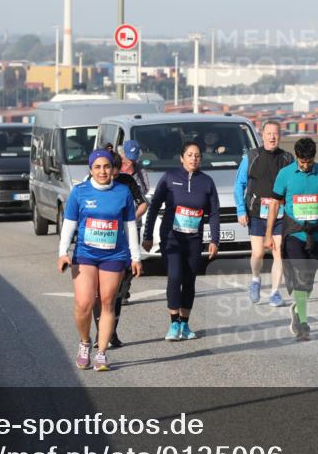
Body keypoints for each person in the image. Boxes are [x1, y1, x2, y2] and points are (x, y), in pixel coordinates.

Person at [57, 149, 142, 371]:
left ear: (113, 169)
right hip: (85, 253)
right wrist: (62, 252)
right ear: (91, 170)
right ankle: (85, 342)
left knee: (107, 301)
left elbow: (129, 226)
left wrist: (136, 257)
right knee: (83, 303)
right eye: (97, 167)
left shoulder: (122, 192)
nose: (102, 171)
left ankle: (102, 353)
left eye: (106, 167)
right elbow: (69, 224)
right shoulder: (80, 192)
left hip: (114, 255)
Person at [264, 137, 318, 341]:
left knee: (308, 280)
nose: (305, 166)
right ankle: (303, 322)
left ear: (314, 158)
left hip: (315, 234)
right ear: (296, 157)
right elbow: (274, 204)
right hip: (293, 234)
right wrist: (268, 234)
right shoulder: (285, 174)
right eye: (302, 162)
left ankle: (298, 310)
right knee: (300, 274)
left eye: (309, 162)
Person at [142, 141, 220, 341]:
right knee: (175, 276)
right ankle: (173, 322)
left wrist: (214, 239)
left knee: (189, 280)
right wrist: (148, 235)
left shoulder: (207, 182)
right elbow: (154, 206)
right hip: (171, 237)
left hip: (194, 239)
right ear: (182, 158)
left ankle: (185, 324)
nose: (194, 158)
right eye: (190, 155)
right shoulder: (170, 177)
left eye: (197, 155)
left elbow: (213, 214)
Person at [234, 120, 294, 307]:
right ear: (262, 135)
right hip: (257, 212)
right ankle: (255, 279)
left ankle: (275, 293)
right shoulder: (251, 157)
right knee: (258, 253)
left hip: (280, 214)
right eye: (269, 133)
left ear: (280, 136)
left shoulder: (287, 159)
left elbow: (293, 186)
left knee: (279, 254)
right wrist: (241, 210)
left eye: (275, 133)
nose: (272, 137)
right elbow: (239, 185)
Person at [92, 151, 147, 348]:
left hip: (121, 245)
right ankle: (100, 333)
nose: (110, 177)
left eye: (114, 173)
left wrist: (129, 220)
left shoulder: (126, 182)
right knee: (98, 293)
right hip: (97, 247)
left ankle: (111, 332)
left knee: (115, 293)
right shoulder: (92, 182)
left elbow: (143, 203)